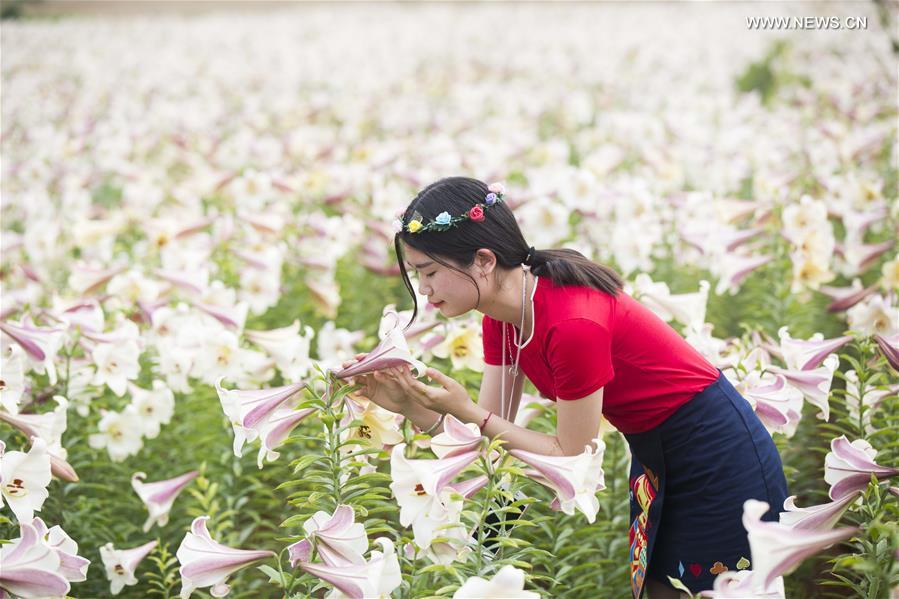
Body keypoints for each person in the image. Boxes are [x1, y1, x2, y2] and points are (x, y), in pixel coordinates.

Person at [341, 176, 788, 598]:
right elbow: (486, 442)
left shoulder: (573, 322)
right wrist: (407, 405)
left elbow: (570, 451)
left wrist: (467, 412)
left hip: (718, 456)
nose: (424, 289)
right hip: (656, 452)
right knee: (661, 589)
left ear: (483, 261)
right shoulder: (502, 316)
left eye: (429, 272)